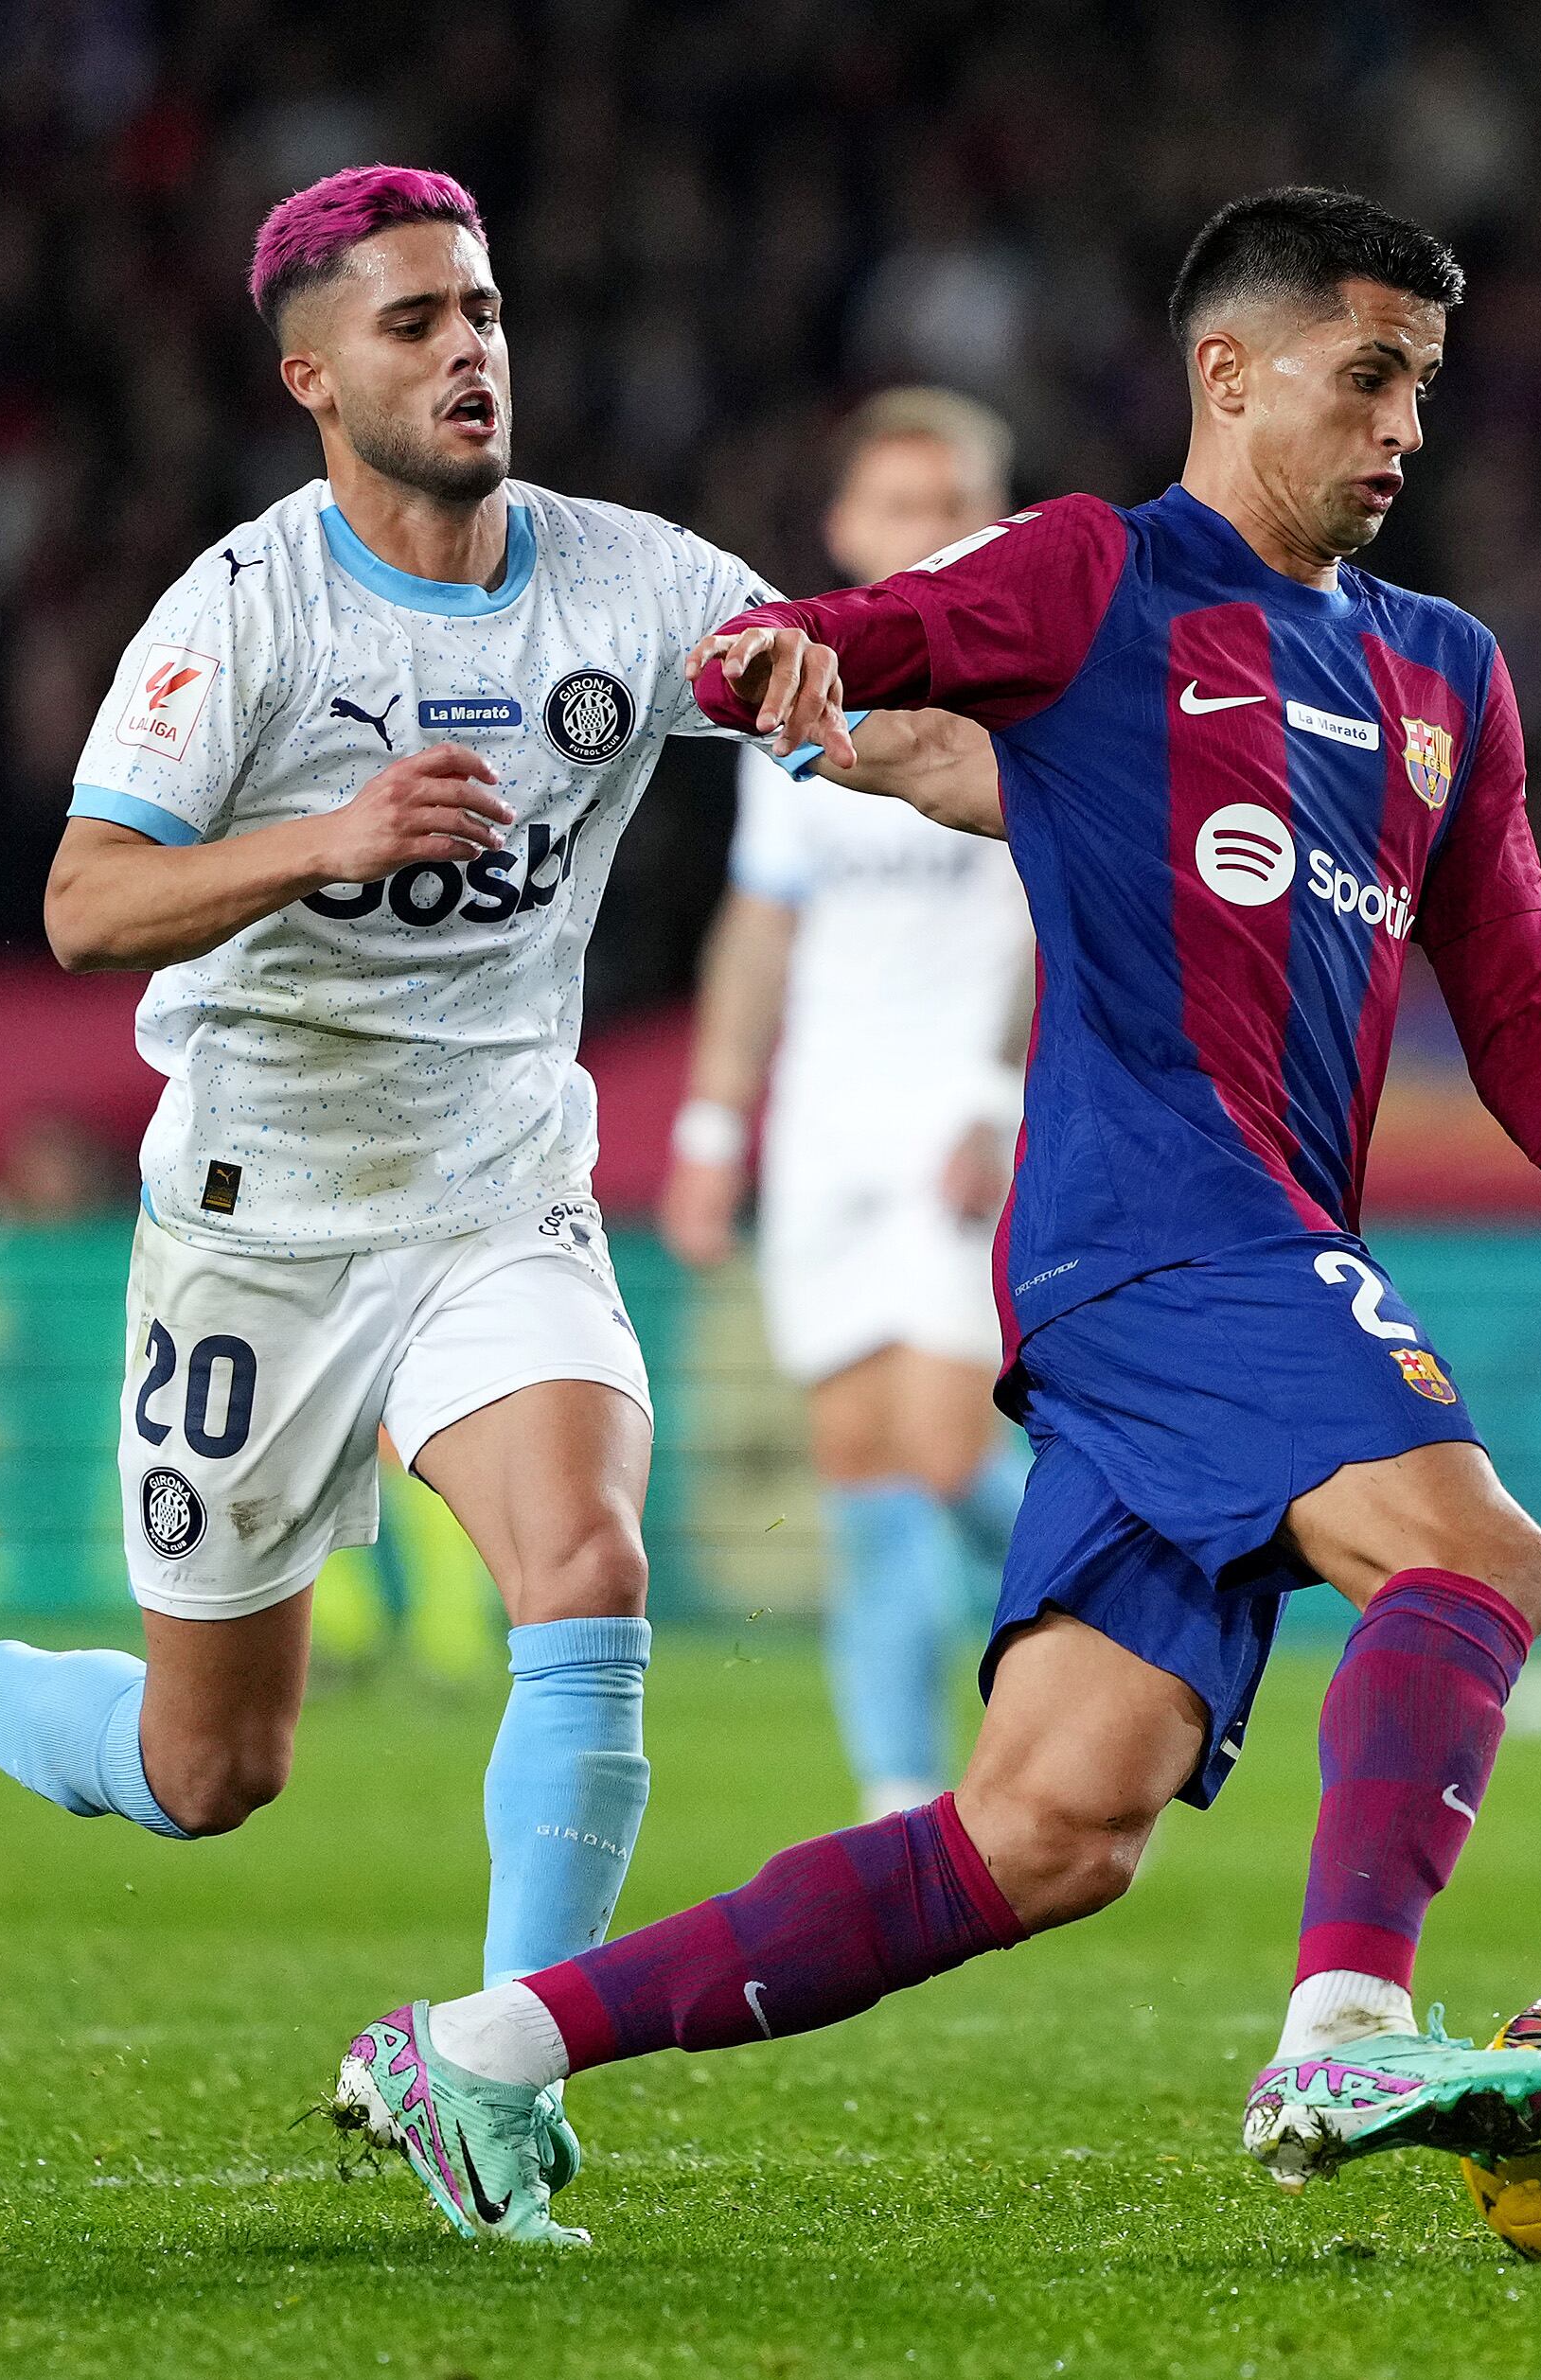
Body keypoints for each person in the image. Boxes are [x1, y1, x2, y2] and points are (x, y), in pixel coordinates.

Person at [332, 186, 1541, 2246]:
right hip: (1158, 1233)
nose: (1400, 428)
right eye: (1364, 375)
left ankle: (481, 2047)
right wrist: (786, 651)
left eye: (1422, 391)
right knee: (1478, 1553)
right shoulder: (1100, 576)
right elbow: (881, 638)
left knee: (1048, 1828)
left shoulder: (1442, 675)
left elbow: (1520, 993)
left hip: (1208, 1256)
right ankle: (1349, 2021)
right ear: (1229, 370)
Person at [0, 164, 804, 2175]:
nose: (468, 354)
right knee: (209, 1769)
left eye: (484, 314)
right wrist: (321, 845)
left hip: (497, 1191)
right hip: (256, 1229)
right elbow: (86, 905)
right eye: (417, 324)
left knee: (586, 1565)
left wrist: (970, 729)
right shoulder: (245, 614)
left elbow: (852, 712)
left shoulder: (632, 584)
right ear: (311, 377)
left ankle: (500, 2072)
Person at [659, 388, 1036, 1821]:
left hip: (959, 1117)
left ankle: (1194, 1602)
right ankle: (897, 1793)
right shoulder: (801, 702)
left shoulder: (1027, 689)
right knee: (864, 1468)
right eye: (895, 505)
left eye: (948, 505)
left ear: (990, 525)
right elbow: (762, 930)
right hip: (827, 1126)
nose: (920, 531)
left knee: (945, 1450)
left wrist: (1000, 1096)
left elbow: (1051, 921)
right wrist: (711, 1125)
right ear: (844, 523)